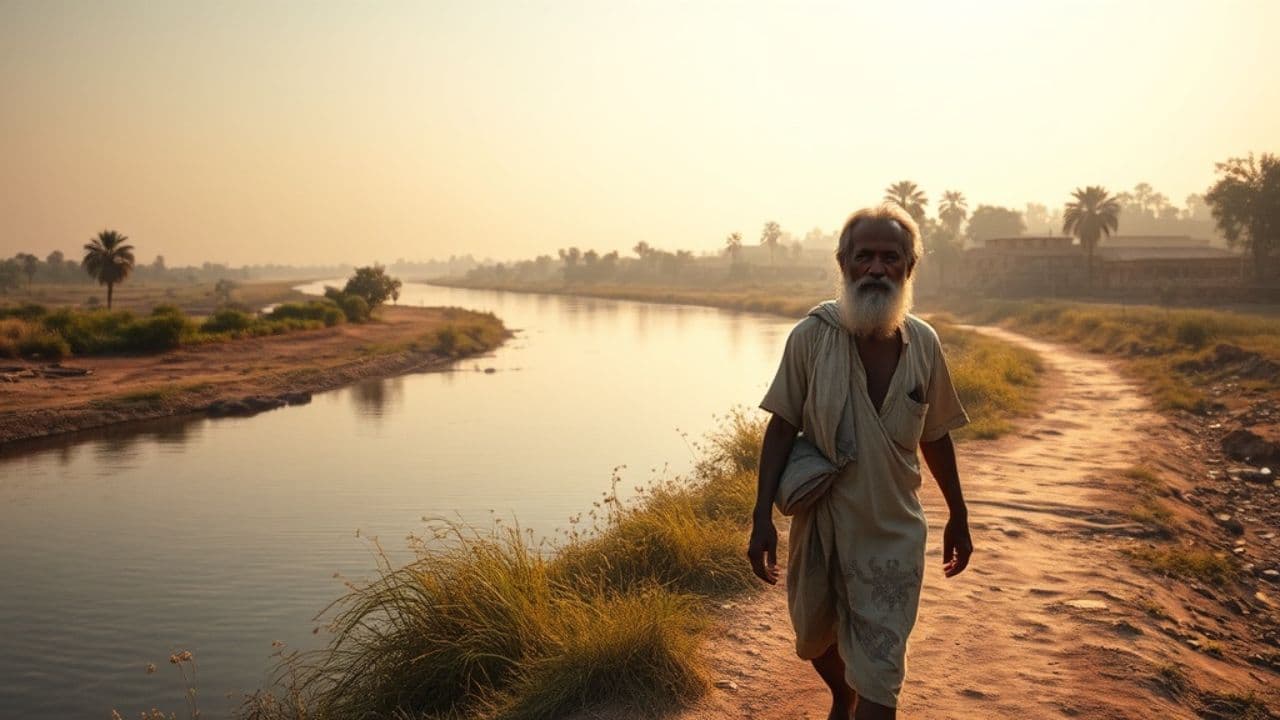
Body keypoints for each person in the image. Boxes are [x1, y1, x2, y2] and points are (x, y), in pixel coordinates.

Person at [747, 203, 973, 720]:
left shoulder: (924, 344)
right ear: (843, 263)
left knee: (881, 674)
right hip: (821, 525)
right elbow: (780, 427)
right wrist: (761, 519)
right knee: (813, 637)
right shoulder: (810, 338)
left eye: (890, 257)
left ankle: (863, 696)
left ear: (909, 267)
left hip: (893, 533)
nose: (876, 268)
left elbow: (936, 435)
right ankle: (841, 693)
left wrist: (958, 515)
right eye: (863, 256)